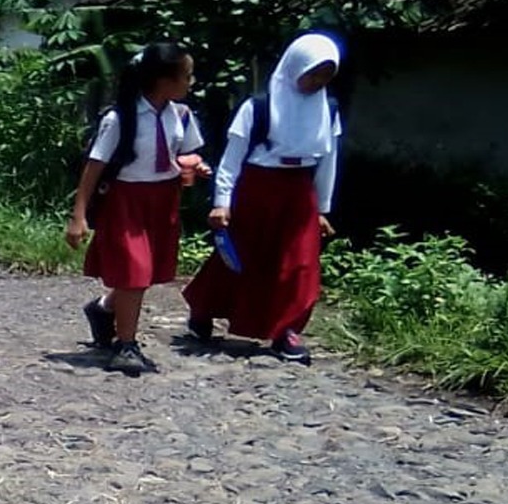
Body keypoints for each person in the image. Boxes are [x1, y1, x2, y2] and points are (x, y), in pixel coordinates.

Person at [181, 31, 343, 364]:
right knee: (242, 257)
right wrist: (222, 201)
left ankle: (286, 331)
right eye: (312, 72)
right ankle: (204, 307)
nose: (317, 81)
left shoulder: (328, 109)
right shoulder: (258, 107)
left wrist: (322, 209)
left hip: (300, 192)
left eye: (326, 75)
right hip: (258, 188)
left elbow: (328, 160)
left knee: (299, 263)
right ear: (295, 67)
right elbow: (232, 158)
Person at [67, 42, 211, 376]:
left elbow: (184, 153)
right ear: (164, 79)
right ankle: (126, 344)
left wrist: (193, 166)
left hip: (163, 201)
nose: (190, 82)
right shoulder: (121, 118)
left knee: (145, 274)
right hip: (127, 201)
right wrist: (79, 215)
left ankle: (104, 309)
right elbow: (94, 167)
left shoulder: (182, 116)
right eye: (186, 76)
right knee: (134, 270)